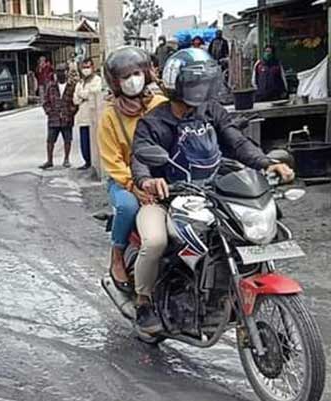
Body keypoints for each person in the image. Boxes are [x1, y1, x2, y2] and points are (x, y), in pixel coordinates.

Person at [130, 48, 295, 335]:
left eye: (204, 83)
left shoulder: (211, 111)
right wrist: (147, 181)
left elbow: (238, 143)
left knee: (242, 234)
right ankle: (143, 301)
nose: (201, 89)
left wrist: (269, 162)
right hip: (165, 199)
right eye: (195, 83)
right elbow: (140, 158)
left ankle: (223, 295)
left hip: (212, 194)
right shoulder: (153, 122)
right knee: (155, 241)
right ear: (177, 85)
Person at [97, 46, 168, 295]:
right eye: (125, 77)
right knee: (128, 207)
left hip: (161, 177)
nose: (132, 80)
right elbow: (112, 161)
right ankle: (117, 254)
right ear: (116, 83)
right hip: (124, 181)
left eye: (136, 73)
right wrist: (133, 186)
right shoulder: (110, 117)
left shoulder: (160, 104)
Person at [40, 63, 79, 170]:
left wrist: (71, 112)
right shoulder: (51, 86)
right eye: (58, 71)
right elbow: (45, 101)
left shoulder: (72, 86)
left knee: (67, 139)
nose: (60, 73)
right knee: (50, 140)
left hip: (67, 118)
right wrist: (49, 112)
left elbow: (76, 102)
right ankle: (49, 160)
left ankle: (66, 159)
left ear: (67, 72)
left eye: (62, 71)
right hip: (54, 118)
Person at [73, 58, 103, 171]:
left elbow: (94, 94)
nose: (86, 70)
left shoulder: (97, 80)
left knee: (93, 142)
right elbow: (75, 100)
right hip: (82, 117)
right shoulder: (80, 83)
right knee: (84, 142)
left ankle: (94, 163)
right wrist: (84, 95)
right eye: (84, 67)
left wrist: (82, 95)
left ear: (92, 67)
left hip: (93, 118)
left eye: (87, 67)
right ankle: (87, 162)